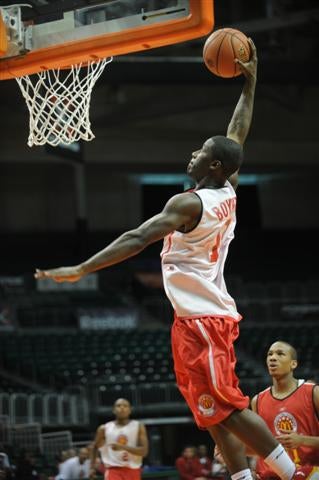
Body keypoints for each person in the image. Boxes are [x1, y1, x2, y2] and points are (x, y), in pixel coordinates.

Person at [34, 40, 304, 480]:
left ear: (213, 166)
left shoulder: (188, 204)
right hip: (188, 319)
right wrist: (250, 86)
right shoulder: (227, 188)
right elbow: (236, 135)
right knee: (210, 413)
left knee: (230, 406)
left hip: (206, 317)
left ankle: (294, 475)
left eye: (200, 151)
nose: (192, 155)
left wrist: (82, 268)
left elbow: (138, 237)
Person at [251, 341, 319, 480]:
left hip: (310, 471)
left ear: (293, 364)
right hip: (270, 474)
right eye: (270, 354)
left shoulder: (313, 392)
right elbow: (258, 447)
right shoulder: (257, 400)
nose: (272, 357)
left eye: (280, 354)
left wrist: (302, 440)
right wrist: (230, 448)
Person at [90, 398, 148, 480]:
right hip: (113, 470)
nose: (122, 408)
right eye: (118, 406)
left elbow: (144, 451)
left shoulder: (138, 426)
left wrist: (123, 447)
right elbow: (94, 447)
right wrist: (92, 468)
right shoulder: (104, 428)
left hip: (133, 470)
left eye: (125, 406)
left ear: (130, 410)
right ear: (114, 410)